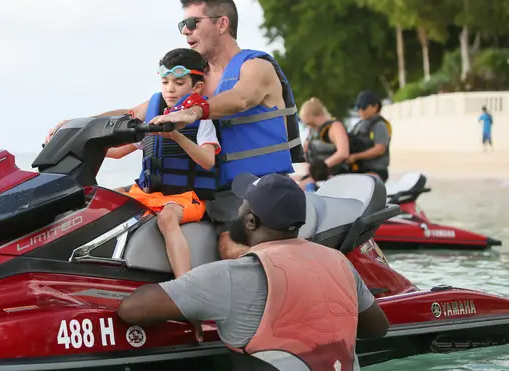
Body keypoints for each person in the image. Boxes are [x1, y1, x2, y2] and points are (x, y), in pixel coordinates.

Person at [45, 0, 305, 259]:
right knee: (103, 207)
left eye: (192, 23)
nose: (185, 31)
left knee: (229, 249)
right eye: (182, 24)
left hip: (259, 191)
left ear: (222, 24)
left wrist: (192, 112)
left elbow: (242, 98)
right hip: (207, 193)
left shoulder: (255, 66)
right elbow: (134, 113)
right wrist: (76, 125)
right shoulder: (192, 83)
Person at [117, 172, 390, 371]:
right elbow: (378, 328)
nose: (236, 209)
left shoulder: (233, 275)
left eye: (242, 204)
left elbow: (132, 309)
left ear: (250, 220)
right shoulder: (338, 262)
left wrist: (188, 300)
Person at [105, 48, 220, 279]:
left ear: (196, 87)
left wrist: (176, 135)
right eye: (165, 81)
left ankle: (184, 282)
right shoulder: (154, 117)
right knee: (105, 199)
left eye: (178, 82)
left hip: (186, 198)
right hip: (150, 194)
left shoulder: (202, 121)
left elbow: (208, 161)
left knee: (167, 218)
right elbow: (117, 153)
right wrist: (85, 144)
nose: (170, 88)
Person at [293, 97, 350, 191]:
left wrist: (323, 165)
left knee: (298, 190)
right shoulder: (312, 131)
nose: (310, 127)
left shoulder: (334, 127)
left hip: (334, 175)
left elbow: (343, 153)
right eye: (308, 124)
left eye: (311, 124)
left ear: (319, 115)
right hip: (317, 176)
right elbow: (304, 153)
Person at [347, 91, 392, 182]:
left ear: (375, 106)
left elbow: (380, 149)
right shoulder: (359, 124)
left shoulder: (380, 125)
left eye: (364, 107)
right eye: (358, 107)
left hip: (376, 170)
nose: (360, 111)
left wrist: (356, 156)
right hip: (360, 169)